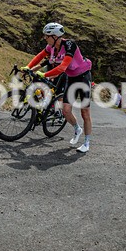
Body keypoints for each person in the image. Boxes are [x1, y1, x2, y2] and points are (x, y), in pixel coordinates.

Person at [22, 22, 93, 153]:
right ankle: (77, 129)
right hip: (71, 78)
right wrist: (28, 67)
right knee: (66, 110)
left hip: (83, 76)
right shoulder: (51, 47)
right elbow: (40, 56)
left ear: (55, 36)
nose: (45, 38)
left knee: (85, 112)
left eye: (47, 36)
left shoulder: (69, 45)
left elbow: (62, 67)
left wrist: (44, 74)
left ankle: (87, 142)